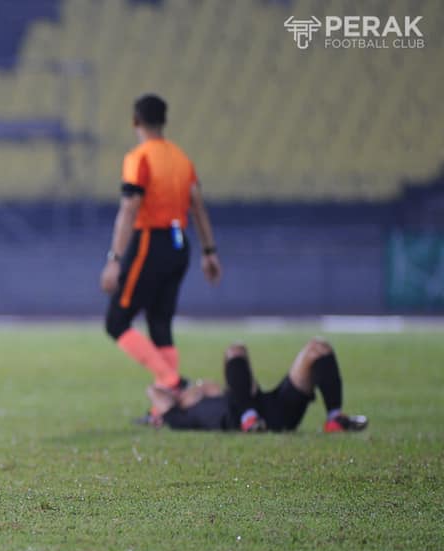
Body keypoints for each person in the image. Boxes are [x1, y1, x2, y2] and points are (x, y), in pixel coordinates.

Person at [101, 94, 221, 398]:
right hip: (179, 245)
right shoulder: (182, 159)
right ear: (164, 121)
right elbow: (198, 207)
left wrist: (115, 258)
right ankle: (164, 409)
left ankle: (170, 381)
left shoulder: (139, 158)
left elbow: (130, 208)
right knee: (160, 323)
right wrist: (210, 252)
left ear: (135, 121)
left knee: (116, 322)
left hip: (149, 242)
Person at [144, 337, 368, 433]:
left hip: (266, 407)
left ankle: (335, 418)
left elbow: (215, 386)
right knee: (234, 351)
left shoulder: (202, 391)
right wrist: (176, 387)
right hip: (239, 418)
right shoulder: (179, 416)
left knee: (318, 348)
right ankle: (249, 419)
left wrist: (189, 387)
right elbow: (152, 391)